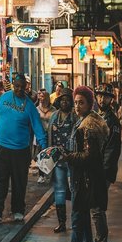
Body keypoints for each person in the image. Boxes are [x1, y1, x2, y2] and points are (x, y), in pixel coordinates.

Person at [0, 73, 47, 222]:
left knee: (19, 182)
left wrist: (43, 146)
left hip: (21, 150)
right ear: (13, 84)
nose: (19, 89)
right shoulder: (4, 98)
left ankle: (18, 210)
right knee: (0, 179)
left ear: (26, 87)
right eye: (17, 86)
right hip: (1, 146)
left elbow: (38, 127)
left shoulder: (30, 106)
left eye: (22, 87)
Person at [63, 86, 109, 242]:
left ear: (90, 104)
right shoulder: (85, 120)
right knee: (82, 217)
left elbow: (89, 155)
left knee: (83, 215)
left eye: (81, 103)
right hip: (83, 177)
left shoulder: (88, 125)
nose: (77, 106)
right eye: (75, 102)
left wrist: (68, 157)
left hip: (85, 178)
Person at [48, 88, 76, 233]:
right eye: (62, 100)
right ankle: (62, 222)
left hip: (72, 160)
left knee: (74, 190)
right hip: (58, 160)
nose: (65, 102)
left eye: (67, 100)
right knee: (59, 190)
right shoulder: (54, 117)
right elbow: (49, 137)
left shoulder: (75, 117)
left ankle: (76, 221)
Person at [95, 83, 122, 188]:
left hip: (103, 170)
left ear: (111, 99)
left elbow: (112, 150)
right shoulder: (94, 116)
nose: (102, 99)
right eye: (100, 96)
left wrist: (105, 171)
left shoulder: (113, 121)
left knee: (99, 200)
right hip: (93, 168)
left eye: (106, 97)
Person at [36, 89, 56, 183]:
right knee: (40, 155)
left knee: (50, 155)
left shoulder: (54, 110)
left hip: (50, 135)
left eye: (43, 97)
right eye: (40, 98)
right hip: (40, 135)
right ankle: (41, 175)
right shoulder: (36, 109)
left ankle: (50, 174)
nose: (41, 99)